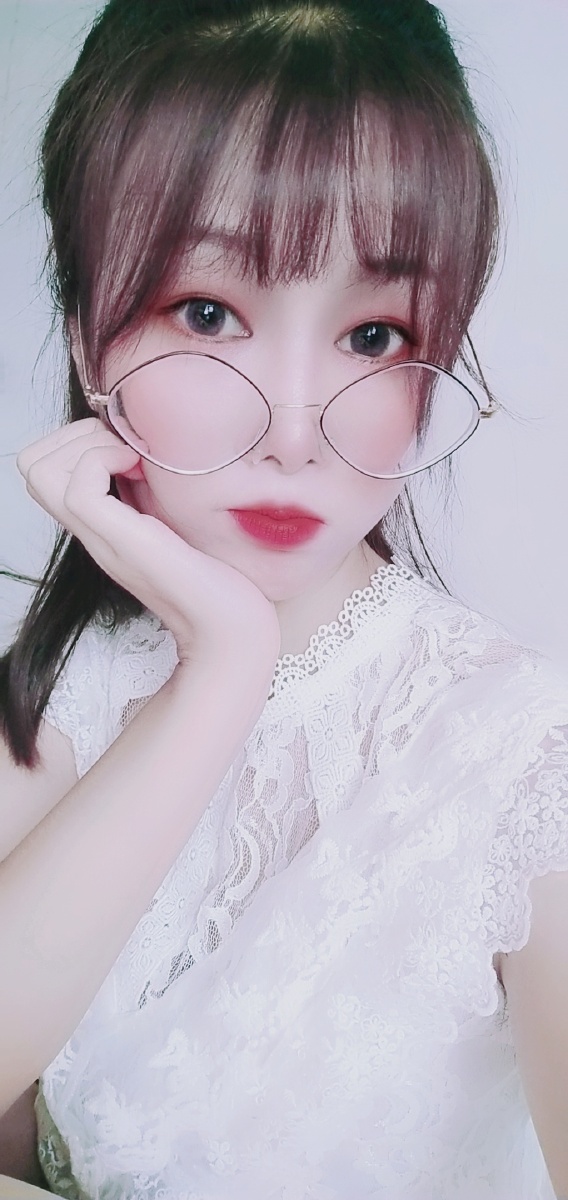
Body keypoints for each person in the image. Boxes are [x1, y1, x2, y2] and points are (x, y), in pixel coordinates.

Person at [1, 0, 567, 1196]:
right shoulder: (69, 692)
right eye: (209, 314)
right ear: (90, 341)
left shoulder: (524, 760)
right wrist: (223, 666)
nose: (297, 432)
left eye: (372, 334)